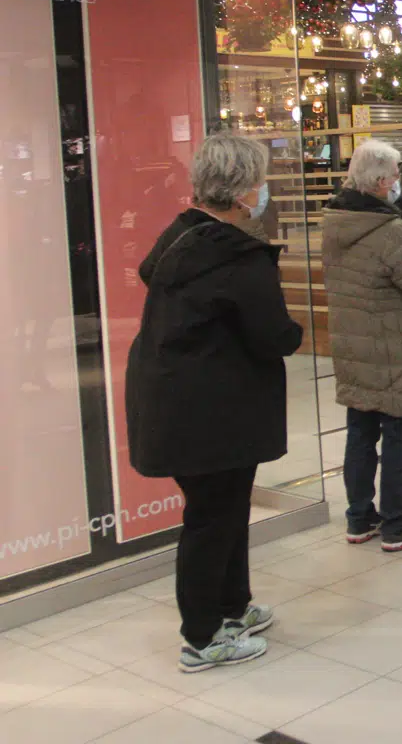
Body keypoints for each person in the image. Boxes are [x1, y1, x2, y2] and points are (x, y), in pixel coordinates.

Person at [126, 134, 304, 672]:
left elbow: (154, 280)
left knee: (225, 511)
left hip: (177, 399)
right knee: (211, 518)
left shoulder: (181, 237)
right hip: (212, 411)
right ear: (244, 190)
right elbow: (274, 335)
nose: (263, 191)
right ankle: (203, 637)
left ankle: (233, 606)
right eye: (260, 181)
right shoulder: (238, 258)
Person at [324, 140, 402, 551]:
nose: (398, 183)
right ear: (379, 182)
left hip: (353, 345)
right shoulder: (389, 230)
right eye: (394, 176)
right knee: (397, 434)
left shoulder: (334, 222)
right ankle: (397, 523)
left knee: (360, 432)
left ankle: (360, 517)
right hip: (395, 348)